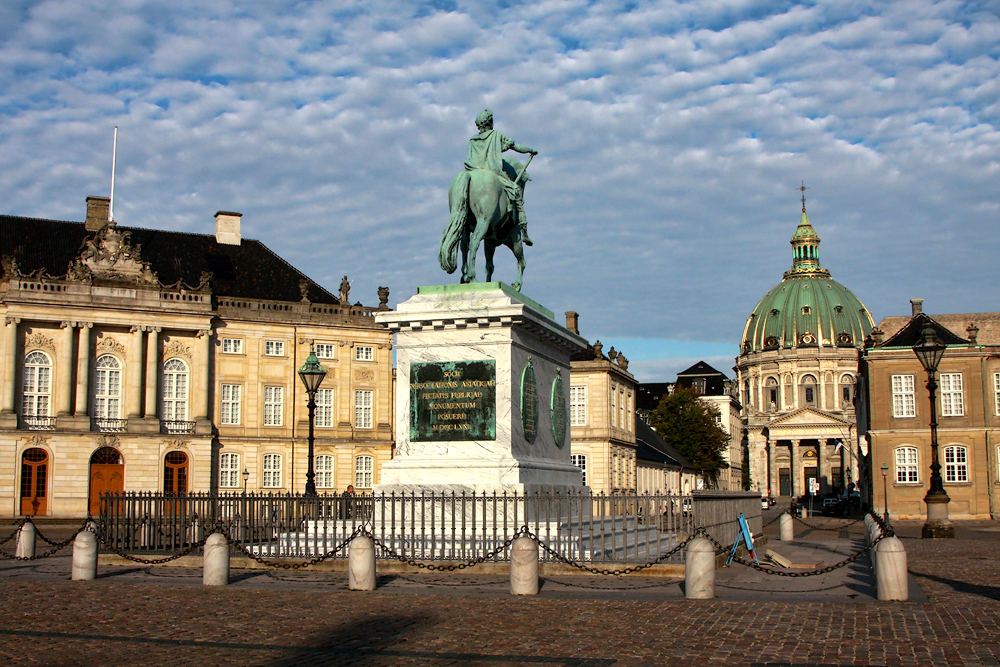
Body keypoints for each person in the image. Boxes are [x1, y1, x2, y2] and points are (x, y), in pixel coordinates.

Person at [464, 109, 538, 245]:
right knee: (516, 193)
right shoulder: (496, 135)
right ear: (490, 122)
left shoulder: (473, 141)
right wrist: (530, 150)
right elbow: (516, 147)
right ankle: (524, 233)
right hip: (494, 172)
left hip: (472, 171)